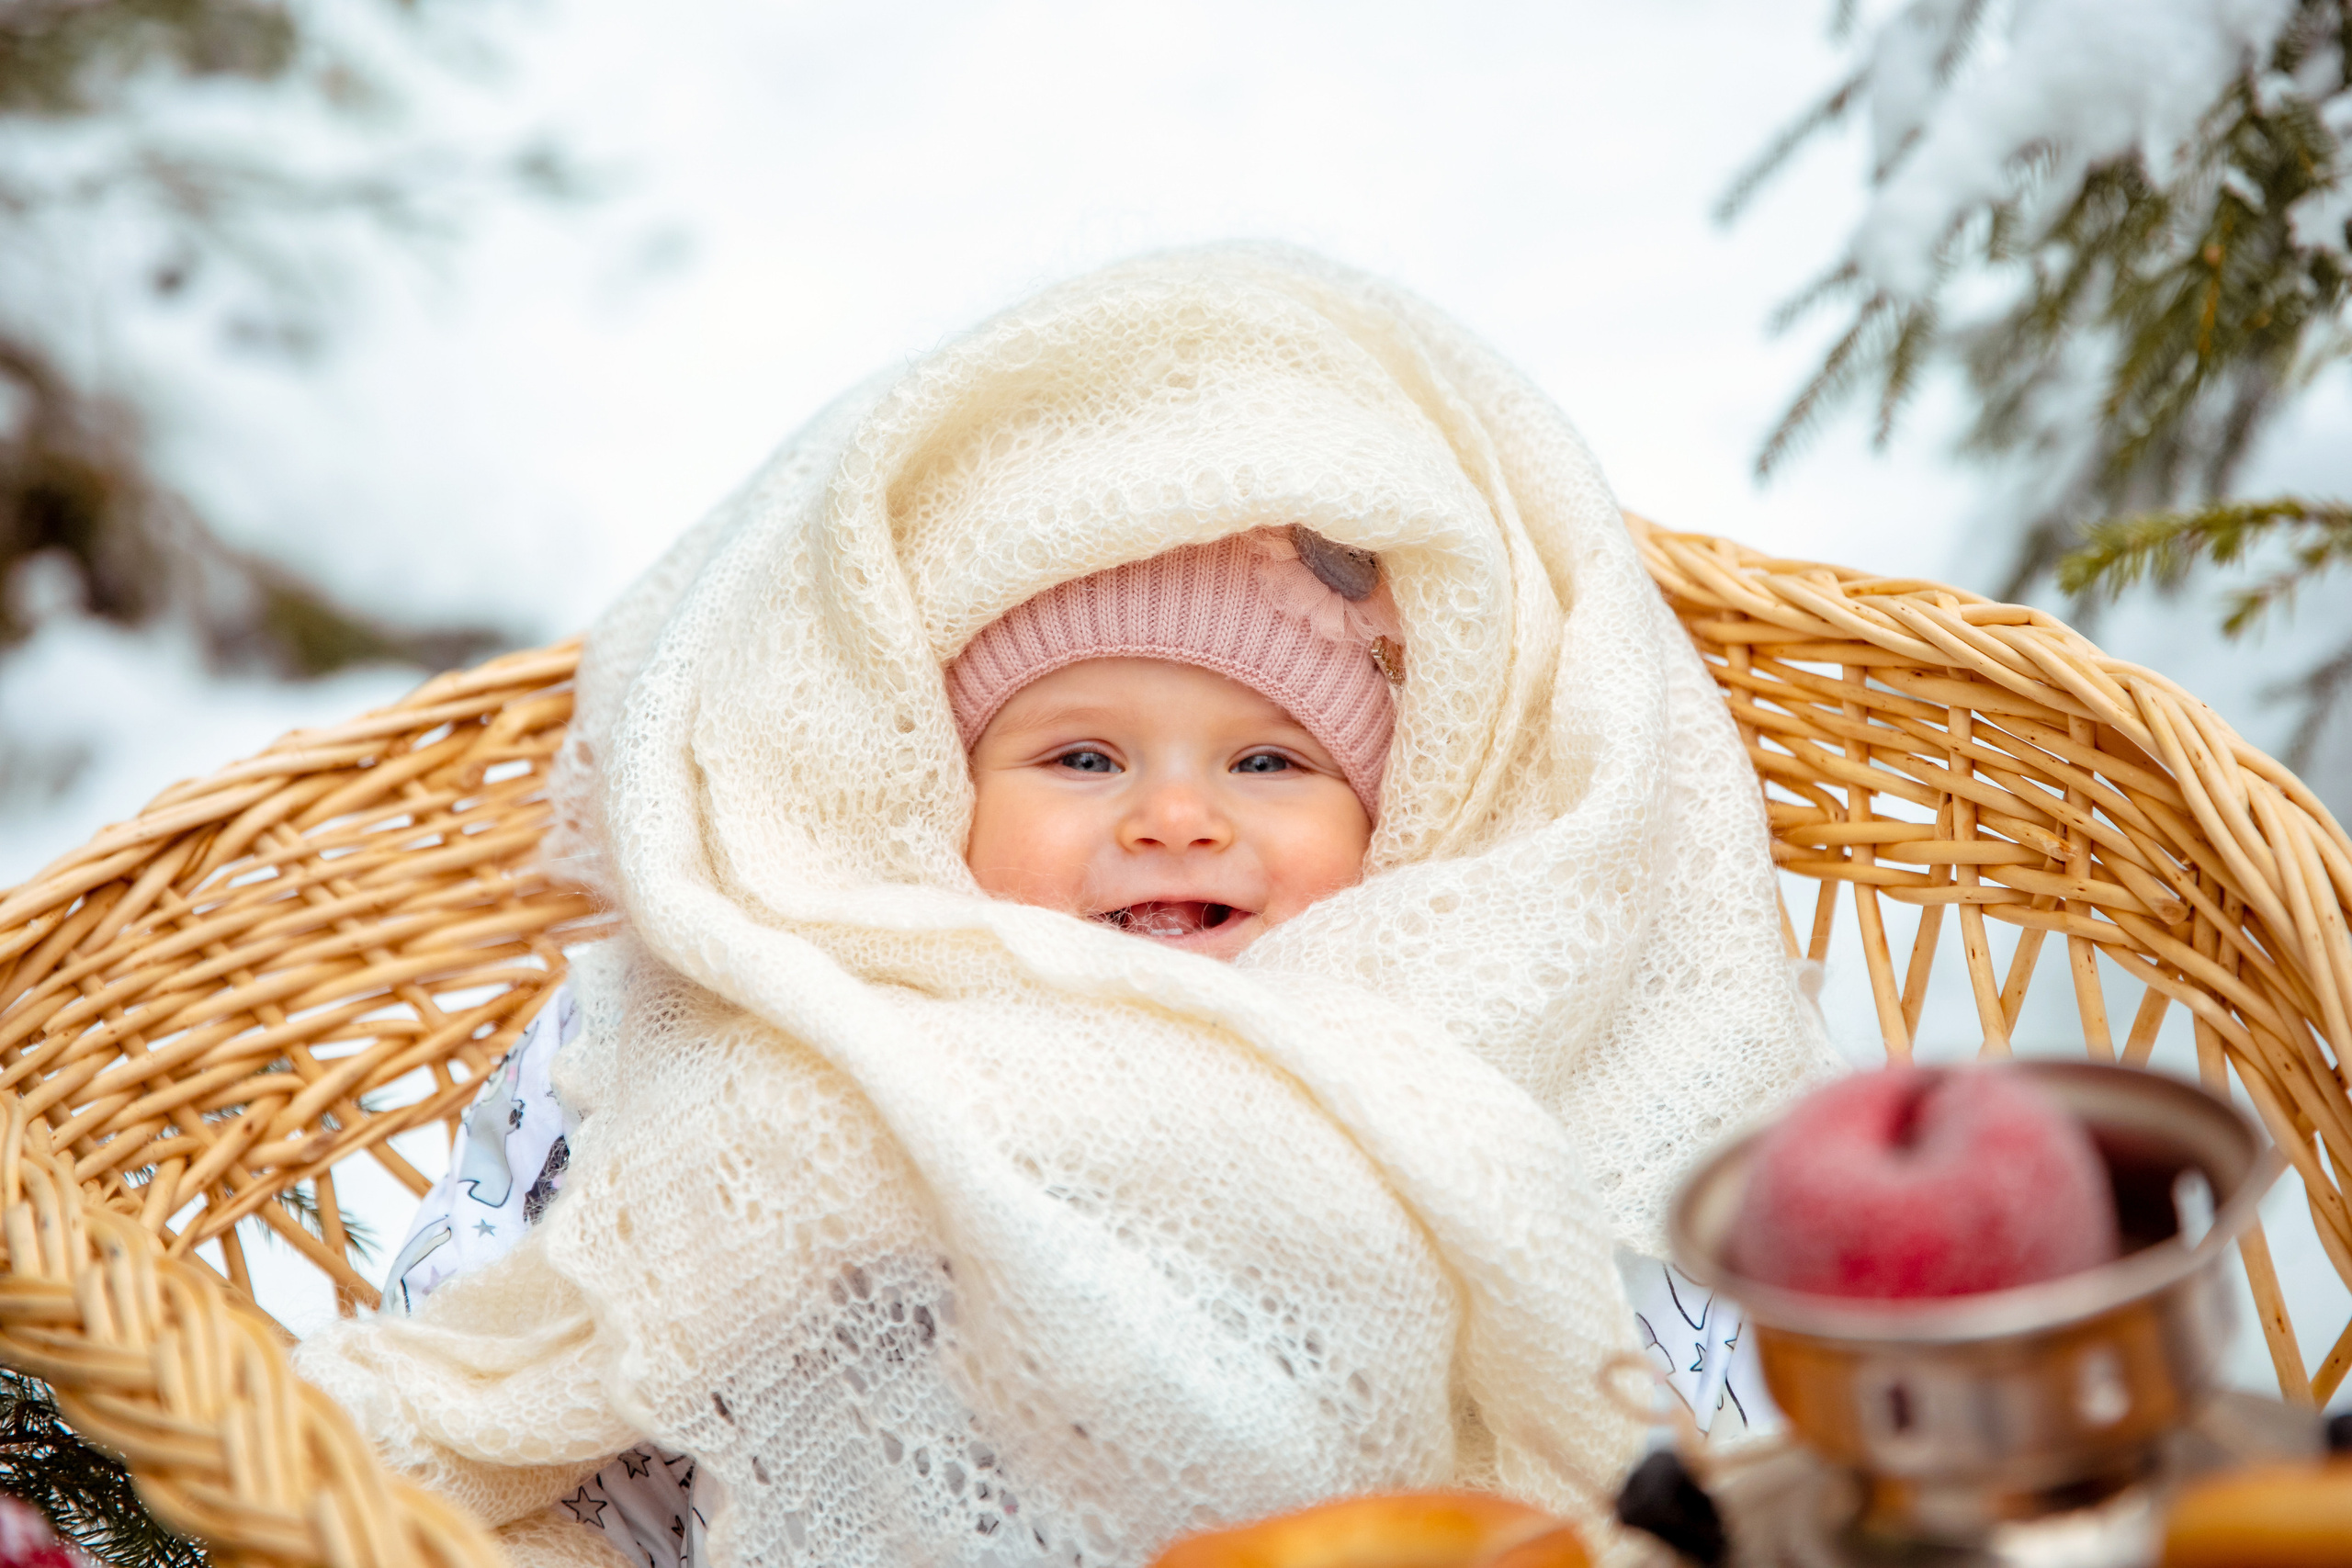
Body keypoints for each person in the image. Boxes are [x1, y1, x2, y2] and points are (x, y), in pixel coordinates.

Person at [297, 244, 1838, 1568]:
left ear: (1391, 824)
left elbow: (1661, 1310)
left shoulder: (1443, 1027)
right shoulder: (833, 1021)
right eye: (1082, 756)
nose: (1178, 814)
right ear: (942, 802)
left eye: (1268, 759)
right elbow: (534, 1265)